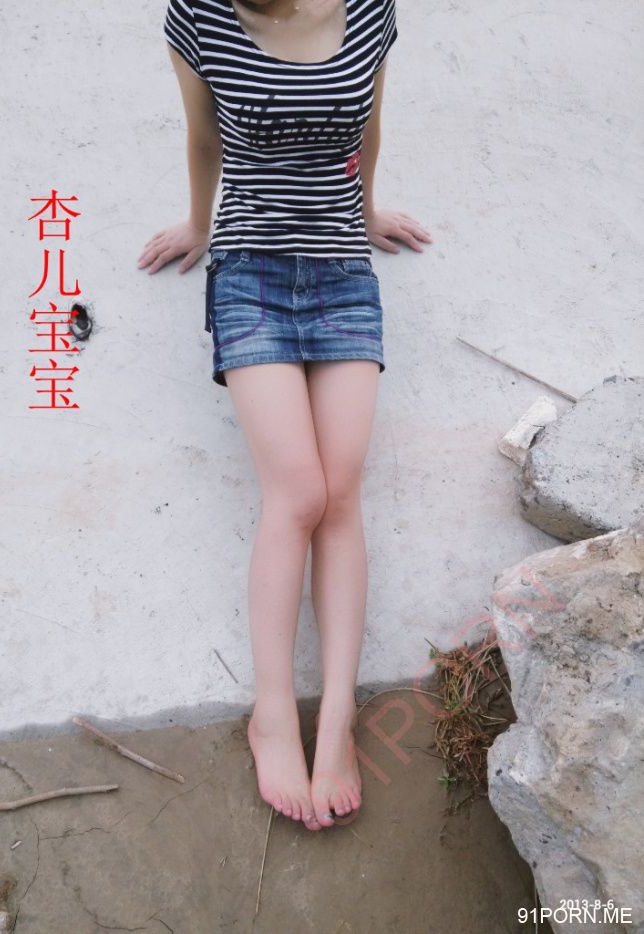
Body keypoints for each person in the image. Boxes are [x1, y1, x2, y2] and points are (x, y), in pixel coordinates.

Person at [137, 0, 432, 832]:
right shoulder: (200, 14)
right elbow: (205, 138)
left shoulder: (368, 7)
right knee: (299, 491)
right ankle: (273, 714)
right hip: (250, 270)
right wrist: (199, 226)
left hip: (342, 271)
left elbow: (367, 125)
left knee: (341, 493)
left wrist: (365, 214)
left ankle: (336, 716)